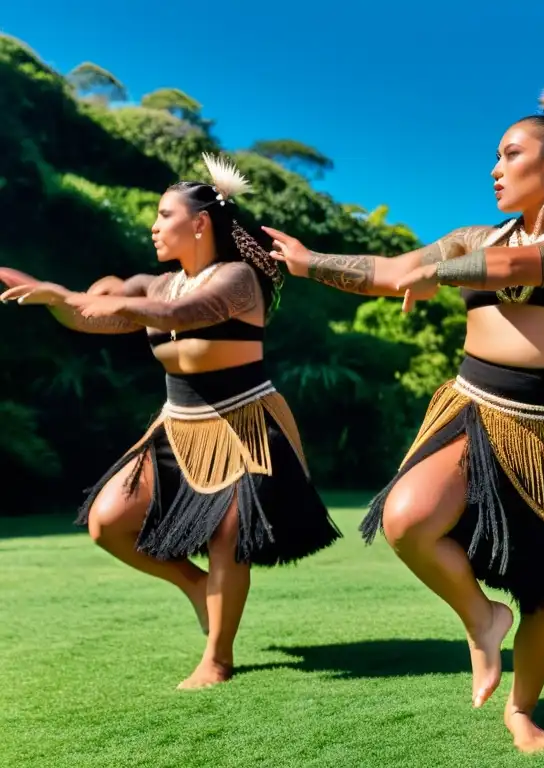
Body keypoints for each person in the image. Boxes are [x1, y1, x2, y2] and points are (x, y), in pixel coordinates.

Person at [263, 74, 544, 752]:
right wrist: (307, 260)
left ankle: (522, 709)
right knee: (408, 516)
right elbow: (389, 269)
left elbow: (516, 270)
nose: (495, 169)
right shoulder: (472, 233)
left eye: (510, 155)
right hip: (476, 408)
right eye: (495, 157)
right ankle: (481, 619)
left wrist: (437, 273)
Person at [0, 153, 341, 688]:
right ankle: (194, 585)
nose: (154, 226)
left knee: (230, 531)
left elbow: (182, 315)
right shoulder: (152, 284)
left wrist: (74, 295)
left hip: (244, 420)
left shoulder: (237, 279)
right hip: (178, 422)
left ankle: (218, 658)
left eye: (164, 215)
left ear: (199, 223)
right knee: (108, 522)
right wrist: (50, 297)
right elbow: (90, 316)